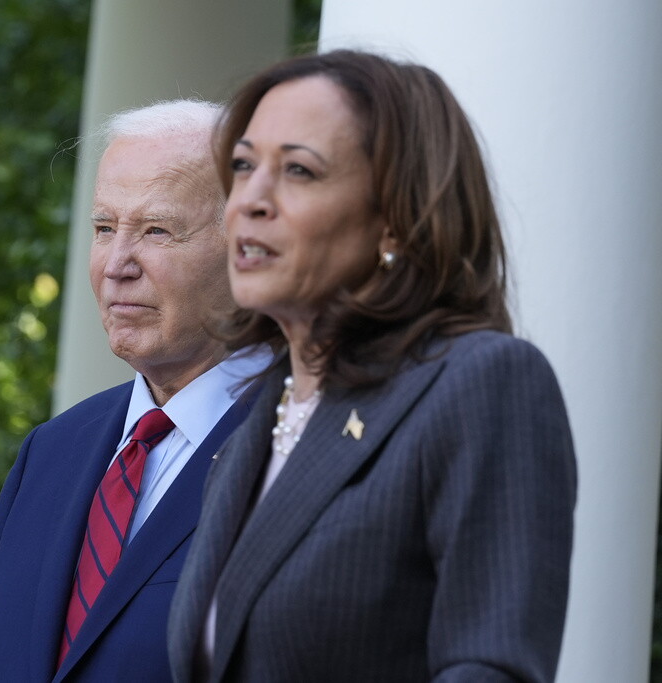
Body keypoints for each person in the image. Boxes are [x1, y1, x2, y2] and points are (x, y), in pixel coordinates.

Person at [167, 50, 578, 682]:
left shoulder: (481, 383)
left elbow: (492, 668)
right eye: (245, 166)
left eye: (299, 170)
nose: (251, 198)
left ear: (393, 220)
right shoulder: (254, 425)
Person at [0, 100, 270, 682]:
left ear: (250, 249)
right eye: (104, 228)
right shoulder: (53, 451)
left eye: (157, 231)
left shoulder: (306, 446)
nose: (116, 264)